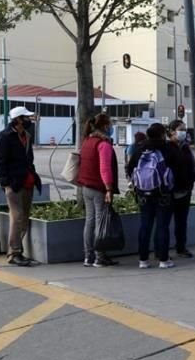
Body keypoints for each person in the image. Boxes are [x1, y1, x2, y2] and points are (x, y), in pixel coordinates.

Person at [126, 123, 180, 268]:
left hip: (143, 193)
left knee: (145, 226)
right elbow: (177, 167)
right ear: (163, 134)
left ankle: (143, 260)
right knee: (162, 226)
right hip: (163, 193)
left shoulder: (140, 148)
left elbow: (130, 168)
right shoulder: (167, 148)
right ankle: (163, 259)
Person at [0, 106, 41, 266]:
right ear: (18, 120)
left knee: (24, 218)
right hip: (13, 184)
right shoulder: (4, 137)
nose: (29, 120)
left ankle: (16, 250)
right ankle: (14, 253)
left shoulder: (26, 135)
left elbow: (29, 159)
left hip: (27, 182)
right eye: (26, 118)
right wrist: (5, 183)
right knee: (18, 216)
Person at [77, 113, 120, 268]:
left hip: (86, 187)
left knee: (90, 221)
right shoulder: (103, 144)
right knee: (100, 222)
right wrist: (109, 188)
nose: (112, 127)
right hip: (99, 188)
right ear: (105, 126)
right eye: (111, 124)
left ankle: (88, 256)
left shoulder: (87, 141)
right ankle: (99, 257)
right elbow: (105, 168)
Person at [168, 119, 195, 258]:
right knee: (165, 220)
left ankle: (181, 246)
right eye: (181, 129)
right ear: (172, 131)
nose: (184, 132)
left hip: (185, 188)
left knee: (181, 220)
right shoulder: (167, 147)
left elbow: (192, 165)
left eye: (185, 129)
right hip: (170, 190)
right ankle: (160, 249)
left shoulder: (185, 147)